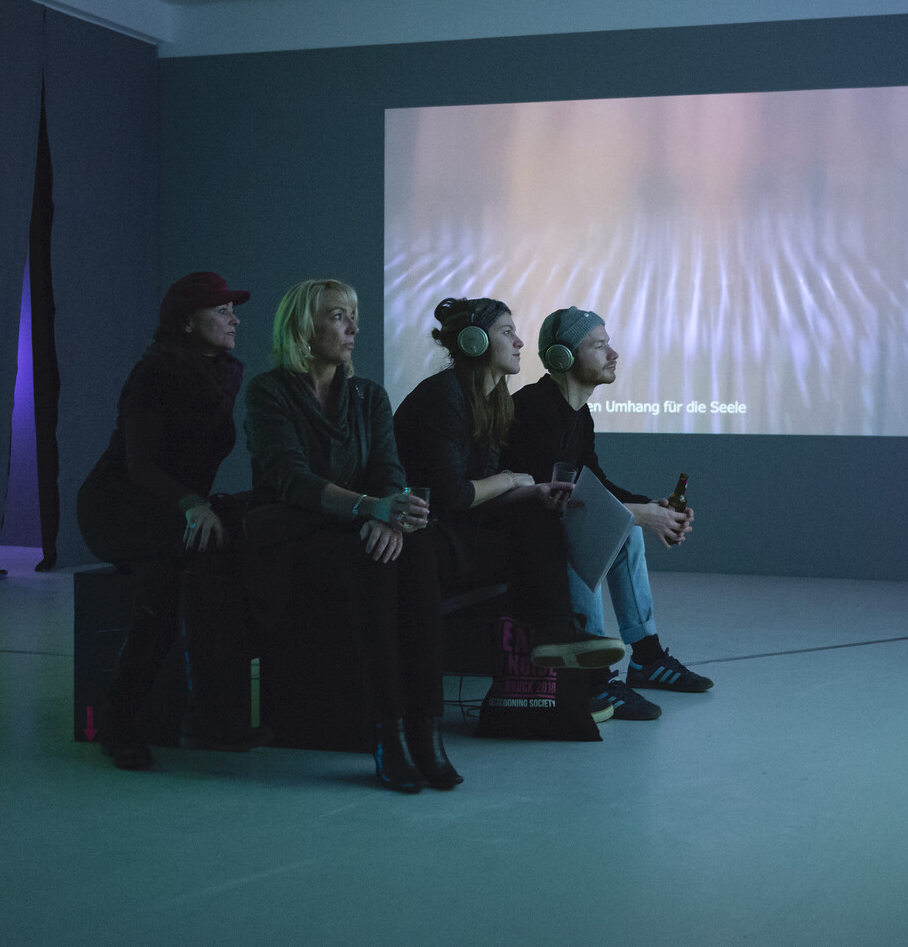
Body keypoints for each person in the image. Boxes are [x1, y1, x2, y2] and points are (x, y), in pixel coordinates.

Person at [244, 278, 458, 793]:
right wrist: (371, 509)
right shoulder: (269, 391)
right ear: (303, 328)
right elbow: (292, 480)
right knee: (375, 562)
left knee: (419, 547)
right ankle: (387, 733)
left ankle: (426, 727)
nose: (353, 328)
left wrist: (388, 517)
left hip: (359, 527)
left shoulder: (368, 395)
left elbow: (389, 470)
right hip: (296, 534)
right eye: (338, 316)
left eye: (353, 316)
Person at [76, 272, 262, 770]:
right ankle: (120, 721)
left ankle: (211, 716)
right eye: (221, 311)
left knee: (218, 554)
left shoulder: (221, 374)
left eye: (233, 311)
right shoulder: (156, 373)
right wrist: (191, 504)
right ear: (187, 322)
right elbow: (140, 467)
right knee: (172, 569)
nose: (234, 320)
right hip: (117, 507)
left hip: (172, 508)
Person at [502, 307, 714, 722]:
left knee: (626, 528)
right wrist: (641, 515)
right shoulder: (533, 408)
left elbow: (595, 483)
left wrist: (653, 507)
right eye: (599, 346)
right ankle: (593, 675)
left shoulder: (578, 414)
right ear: (562, 356)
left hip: (550, 525)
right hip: (528, 535)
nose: (613, 354)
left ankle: (647, 658)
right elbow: (563, 499)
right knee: (604, 525)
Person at [392, 297, 625, 673]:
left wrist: (532, 491)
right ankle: (560, 634)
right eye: (506, 332)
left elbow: (477, 493)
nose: (519, 342)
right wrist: (511, 480)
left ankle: (559, 632)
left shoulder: (495, 400)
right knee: (535, 522)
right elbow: (454, 495)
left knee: (537, 509)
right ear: (474, 341)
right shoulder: (444, 395)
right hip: (423, 527)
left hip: (454, 518)